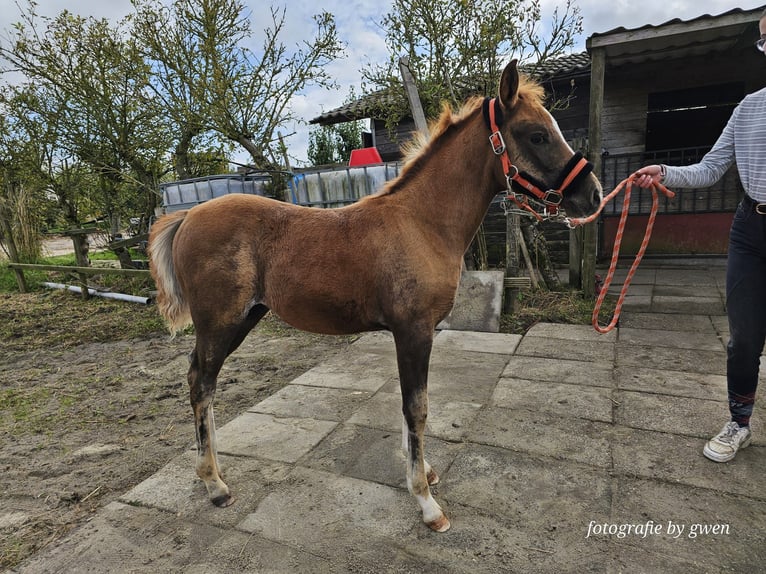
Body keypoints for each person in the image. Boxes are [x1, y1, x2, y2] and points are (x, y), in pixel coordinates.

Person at [632, 9, 766, 463]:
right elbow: (711, 168)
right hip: (752, 228)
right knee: (744, 337)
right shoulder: (749, 109)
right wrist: (664, 171)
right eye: (765, 42)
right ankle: (739, 423)